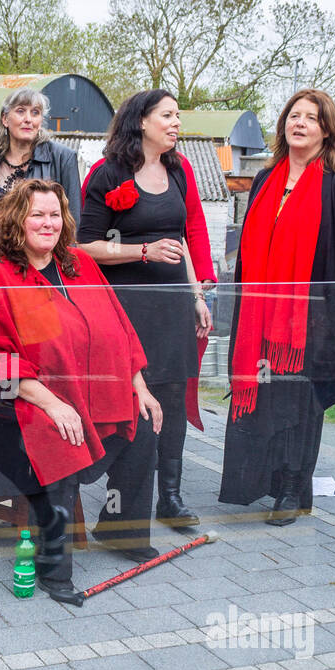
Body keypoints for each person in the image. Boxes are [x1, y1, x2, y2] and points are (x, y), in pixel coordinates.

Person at [0, 179, 164, 604]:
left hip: (85, 396)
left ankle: (120, 529)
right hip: (14, 412)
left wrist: (139, 386)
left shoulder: (79, 264)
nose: (48, 223)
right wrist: (52, 403)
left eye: (55, 214)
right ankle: (53, 570)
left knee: (143, 422)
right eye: (37, 214)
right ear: (16, 220)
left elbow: (119, 332)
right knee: (58, 437)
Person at [218, 89, 335, 526]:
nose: (300, 122)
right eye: (293, 115)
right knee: (264, 401)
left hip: (306, 324)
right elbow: (247, 252)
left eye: (312, 117)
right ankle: (258, 482)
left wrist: (318, 303)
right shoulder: (265, 180)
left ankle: (291, 490)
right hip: (257, 318)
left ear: (326, 130)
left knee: (298, 407)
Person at [78, 89, 215, 527]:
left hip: (174, 303)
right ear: (141, 121)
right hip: (126, 307)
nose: (177, 123)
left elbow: (183, 239)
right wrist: (142, 252)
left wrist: (196, 296)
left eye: (178, 116)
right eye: (168, 115)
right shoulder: (107, 173)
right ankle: (121, 506)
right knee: (134, 400)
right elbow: (85, 247)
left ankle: (169, 499)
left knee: (173, 396)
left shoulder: (180, 170)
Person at [0, 88, 82, 225]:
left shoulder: (63, 158)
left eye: (35, 113)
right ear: (5, 119)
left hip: (45, 245)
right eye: (20, 111)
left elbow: (73, 221)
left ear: (40, 121)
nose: (28, 119)